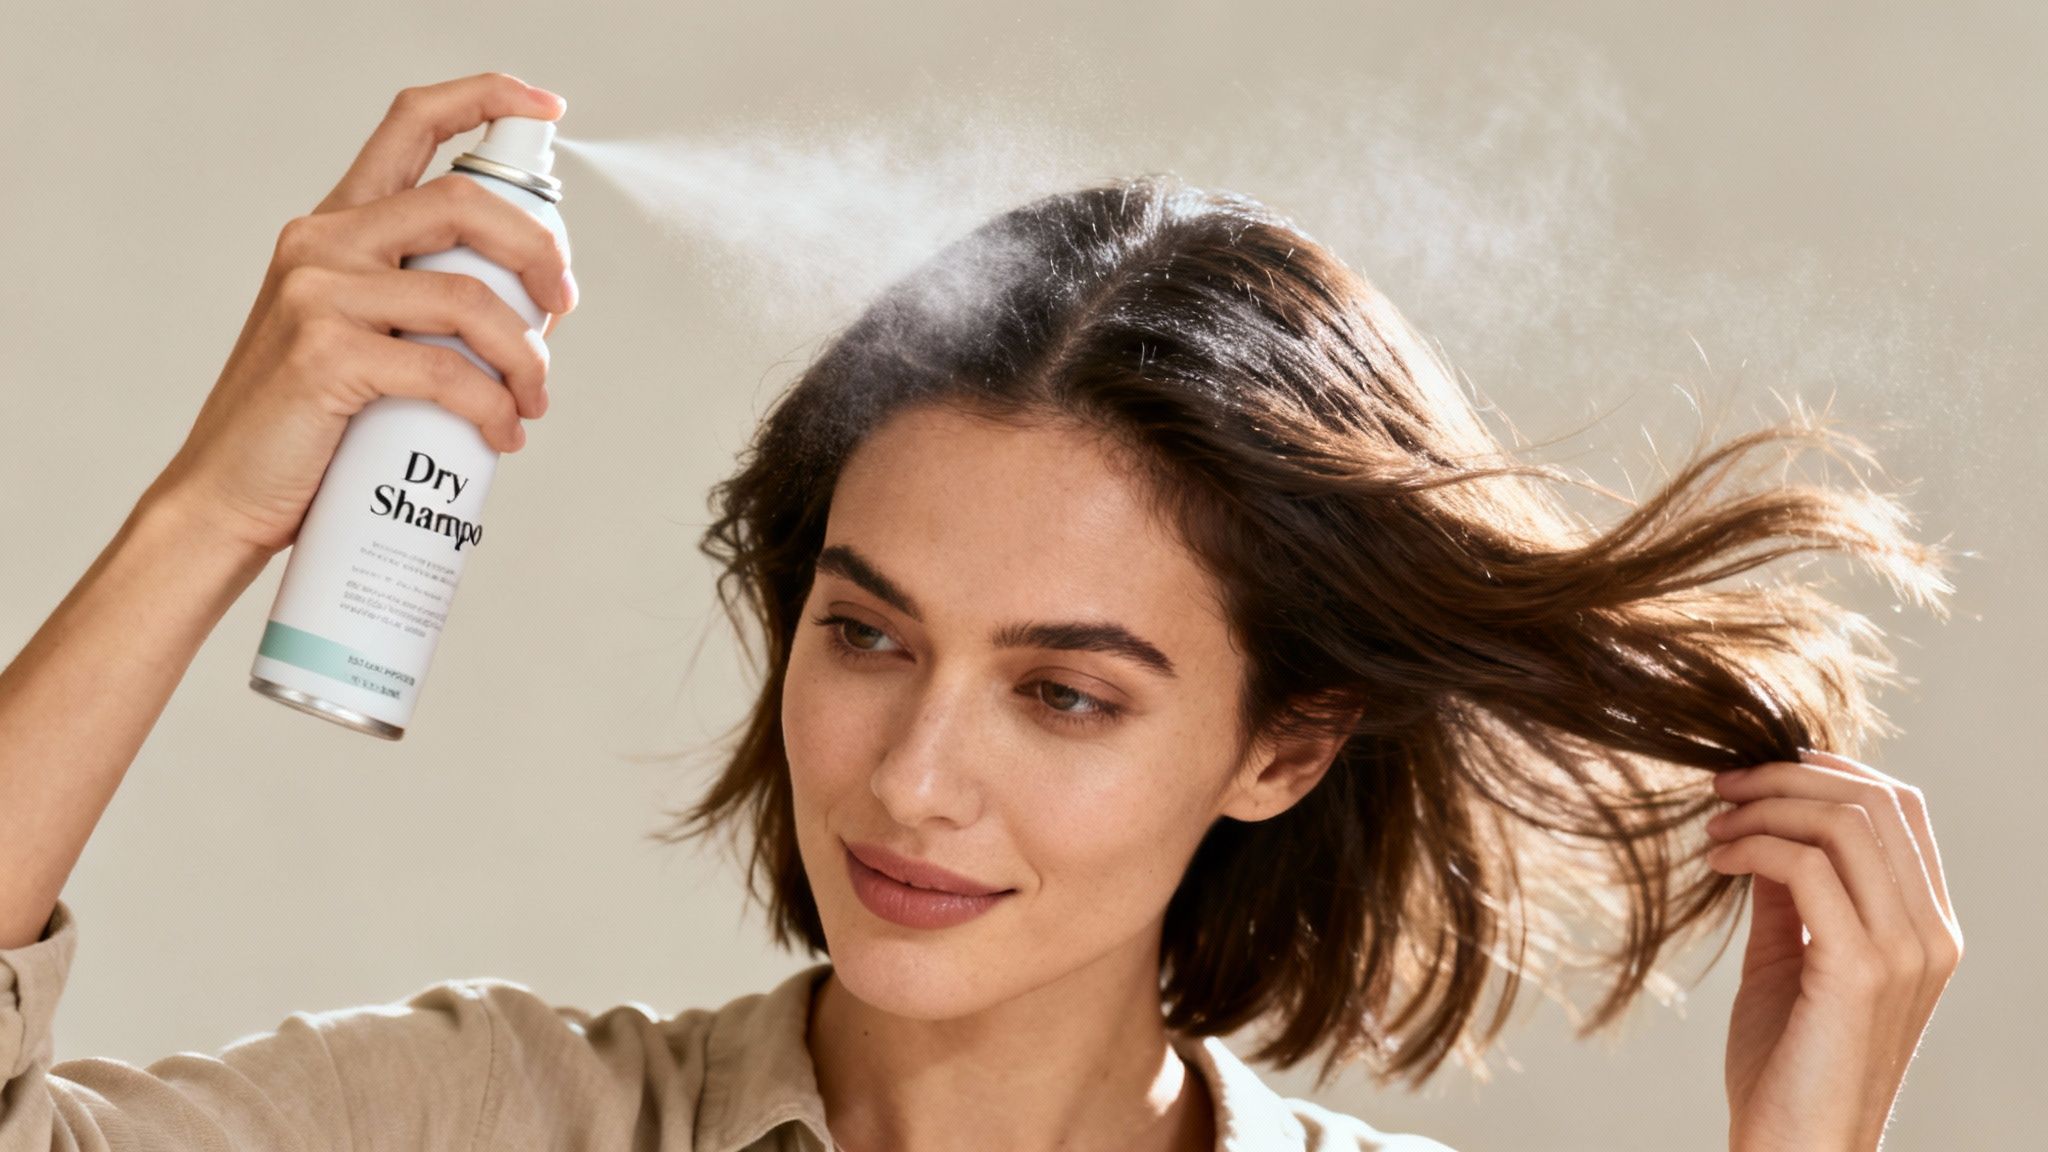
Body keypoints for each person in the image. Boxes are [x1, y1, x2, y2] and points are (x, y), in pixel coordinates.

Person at [0, 71, 1965, 1152]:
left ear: (1283, 741)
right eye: (866, 635)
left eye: (1069, 696)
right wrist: (205, 515)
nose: (914, 778)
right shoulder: (482, 1126)